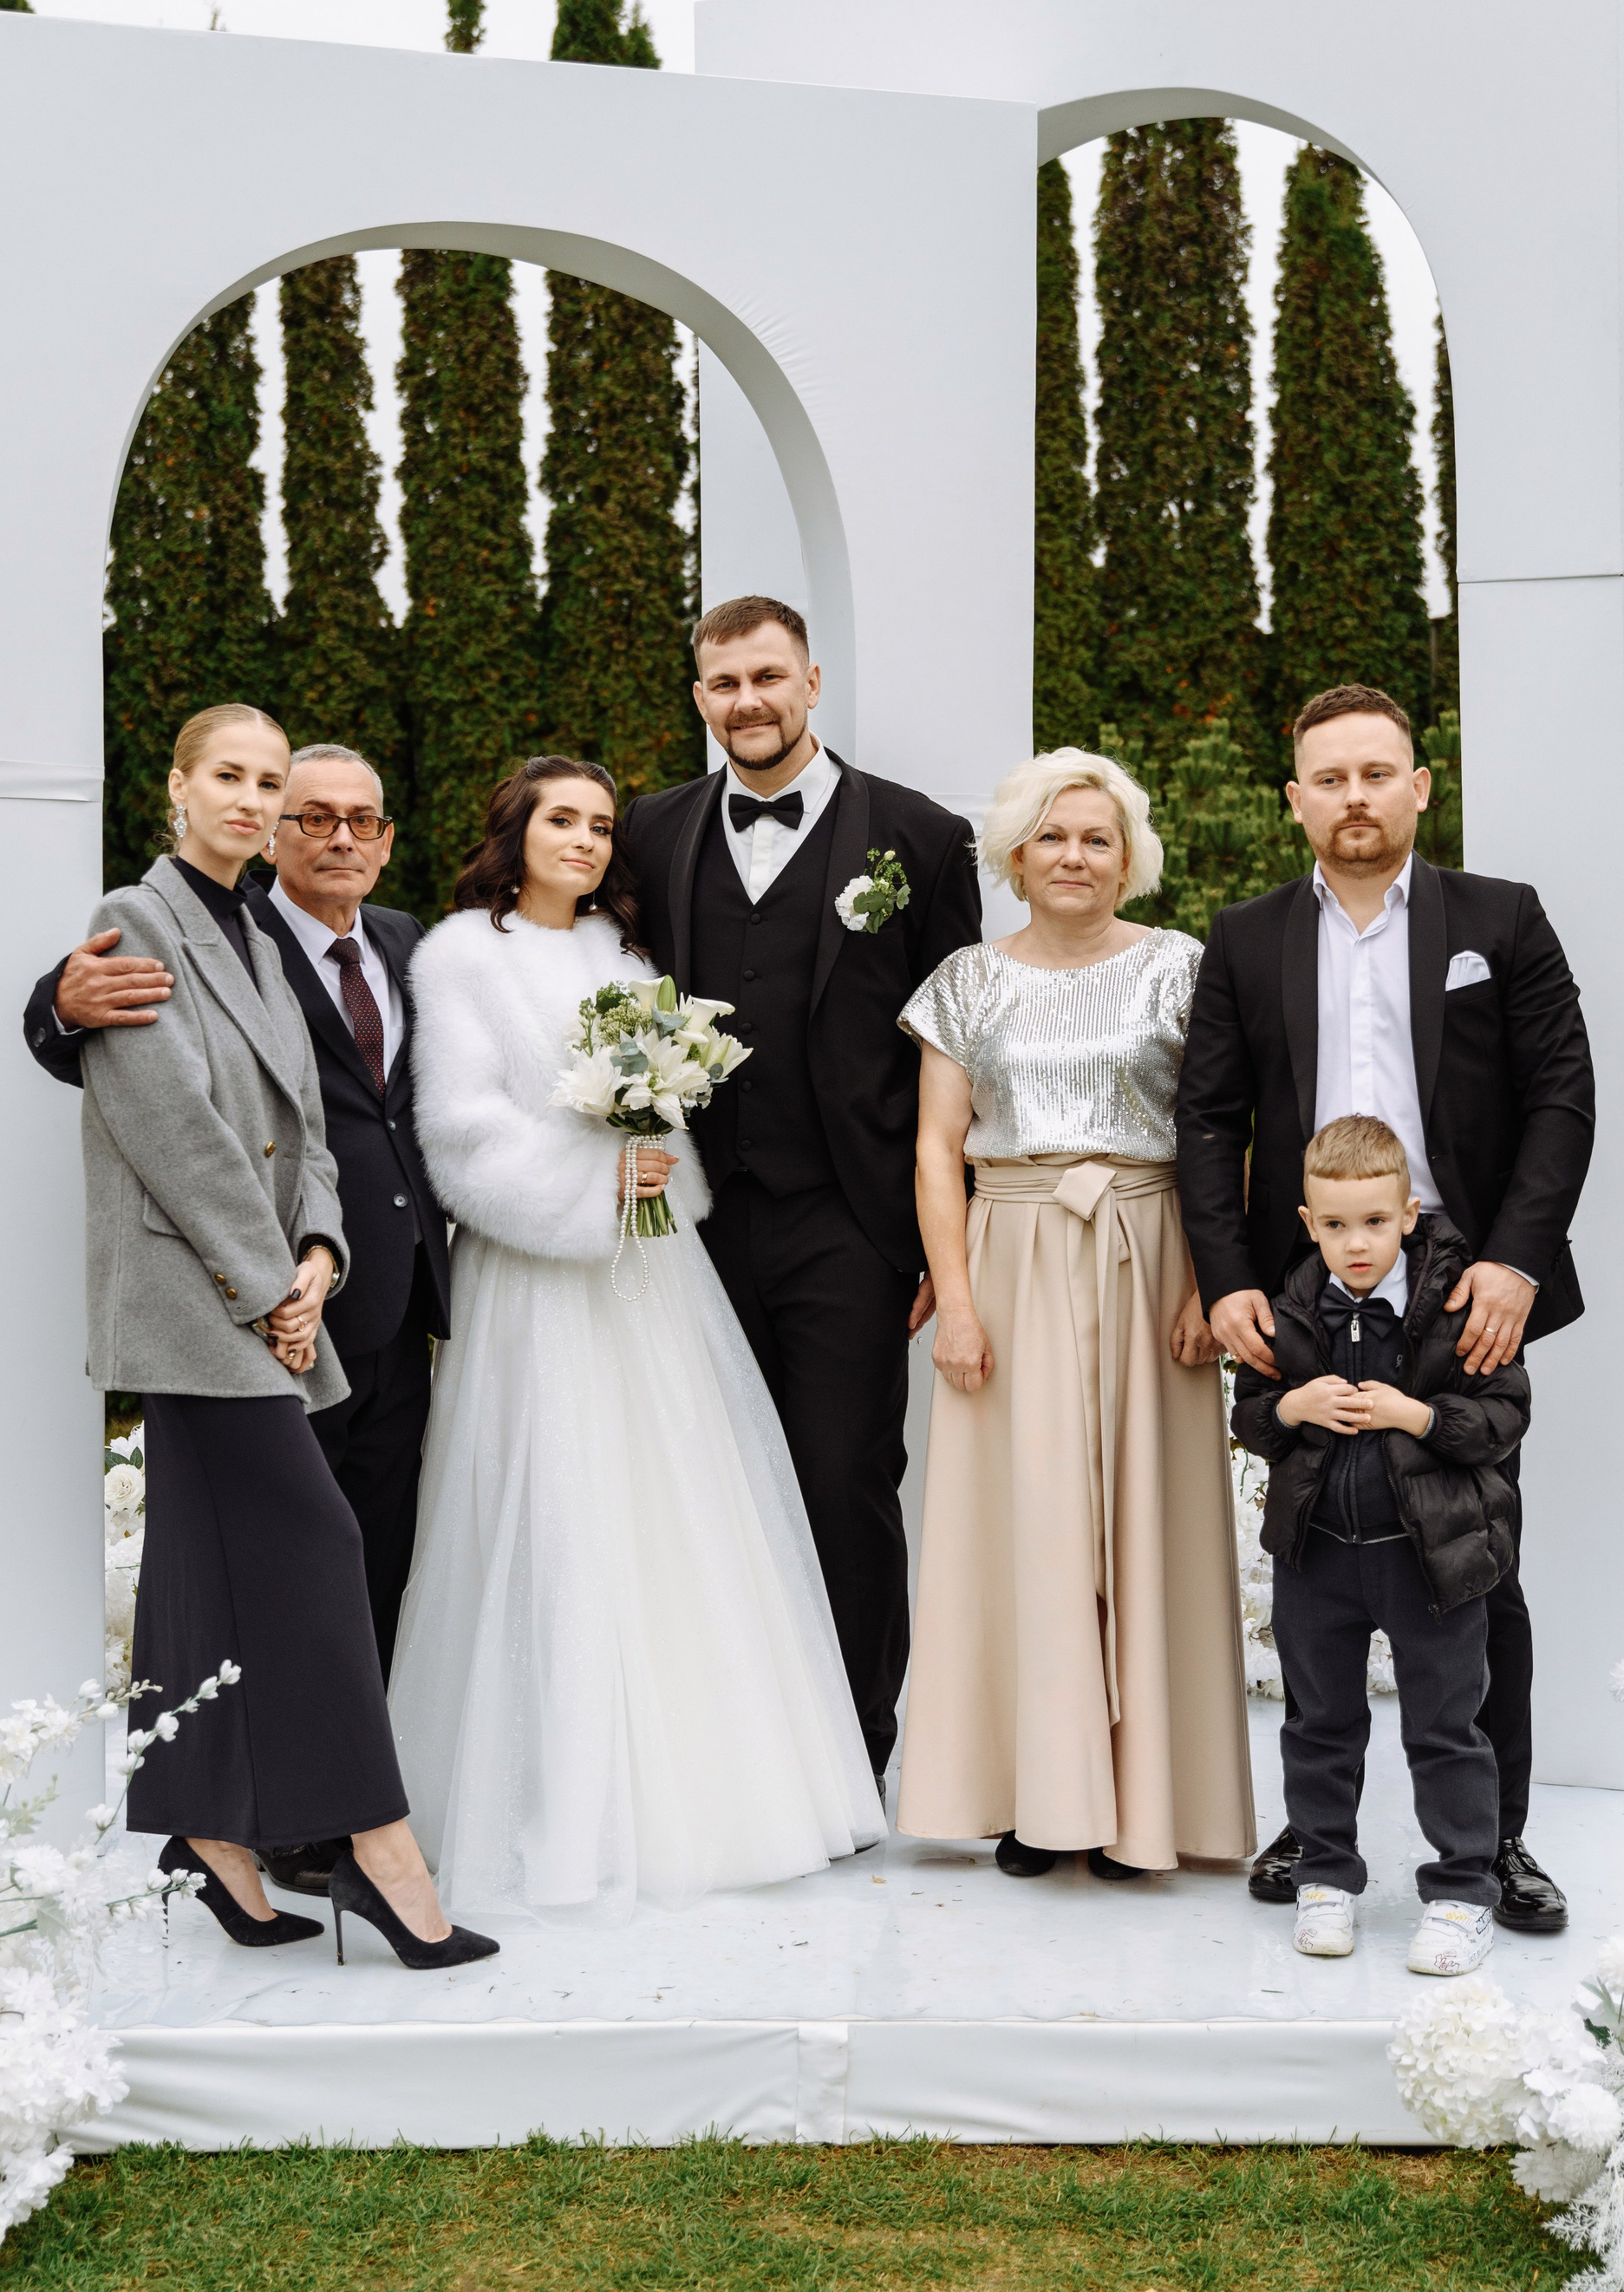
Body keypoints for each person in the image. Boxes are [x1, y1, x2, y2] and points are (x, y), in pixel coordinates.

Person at [388, 754, 885, 1923]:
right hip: (537, 1277)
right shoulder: (461, 957)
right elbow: (460, 1131)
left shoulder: (626, 955)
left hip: (651, 1275)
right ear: (514, 831)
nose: (586, 840)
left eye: (602, 825)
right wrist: (591, 1185)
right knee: (555, 1507)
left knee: (675, 1504)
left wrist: (656, 1167)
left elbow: (662, 1109)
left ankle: (705, 1791)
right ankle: (554, 1799)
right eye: (561, 819)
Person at [69, 702, 493, 1970]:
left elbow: (306, 1127)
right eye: (232, 777)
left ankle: (210, 1838)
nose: (252, 801)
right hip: (192, 1303)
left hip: (275, 1290)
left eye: (267, 781)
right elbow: (171, 1125)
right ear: (178, 787)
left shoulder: (255, 930)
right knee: (317, 1548)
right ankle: (378, 1847)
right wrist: (273, 1287)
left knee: (200, 1569)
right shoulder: (138, 918)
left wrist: (319, 1254)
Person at [1176, 682, 1594, 1931]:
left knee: (1473, 1561)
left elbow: (1562, 1095)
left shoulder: (1501, 919)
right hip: (1304, 1284)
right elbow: (1208, 1119)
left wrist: (1514, 1262)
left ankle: (1497, 1840)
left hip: (1463, 1285)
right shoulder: (1244, 936)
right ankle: (1318, 1835)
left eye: (1376, 773)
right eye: (1330, 777)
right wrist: (1228, 1278)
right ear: (1295, 799)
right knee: (1313, 1553)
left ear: (1419, 784)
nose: (1354, 796)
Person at [615, 597, 982, 1792]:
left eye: (768, 677)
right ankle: (736, 1743)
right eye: (724, 684)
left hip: (851, 1222)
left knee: (843, 1477)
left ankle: (855, 1746)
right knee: (709, 1479)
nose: (748, 702)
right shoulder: (650, 829)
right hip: (693, 1221)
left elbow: (957, 1051)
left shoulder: (920, 837)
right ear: (699, 698)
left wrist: (943, 1243)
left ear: (812, 683)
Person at [893, 748, 1255, 1877]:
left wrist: (1207, 1283)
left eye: (1098, 838)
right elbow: (935, 1151)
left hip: (1151, 1251)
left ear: (1128, 857)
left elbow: (1225, 1132)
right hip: (1009, 1252)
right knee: (1026, 1525)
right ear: (1015, 855)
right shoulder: (965, 980)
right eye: (1051, 836)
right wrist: (956, 1304)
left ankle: (1147, 1807)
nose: (1074, 855)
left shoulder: (1183, 967)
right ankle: (1034, 1797)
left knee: (1151, 1522)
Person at [1230, 1115, 1530, 1975]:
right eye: (1333, 1224)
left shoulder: (1457, 1304)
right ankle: (1326, 1877)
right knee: (1320, 1724)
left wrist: (1419, 1416)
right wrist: (1291, 1409)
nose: (1354, 1242)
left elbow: (1505, 1414)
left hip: (1430, 1559)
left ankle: (1462, 1890)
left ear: (1407, 1214)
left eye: (1372, 1221)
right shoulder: (1290, 1307)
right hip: (1318, 1554)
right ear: (1308, 1221)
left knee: (1446, 1727)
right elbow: (1251, 1414)